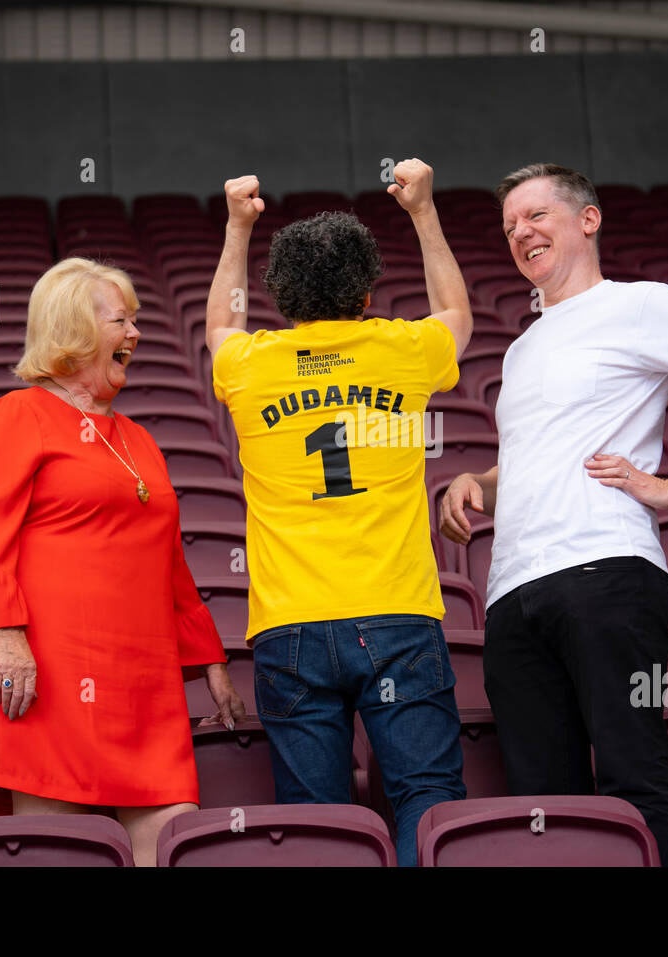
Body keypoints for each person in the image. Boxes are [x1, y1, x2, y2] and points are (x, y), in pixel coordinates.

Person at [439, 163, 668, 866]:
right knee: (547, 808)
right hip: (514, 593)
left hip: (608, 574)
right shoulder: (522, 346)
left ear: (587, 219)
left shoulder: (640, 303)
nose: (521, 233)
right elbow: (537, 460)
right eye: (510, 225)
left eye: (536, 215)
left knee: (632, 782)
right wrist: (476, 480)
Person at [206, 160, 473, 866]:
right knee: (427, 797)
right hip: (396, 615)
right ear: (366, 288)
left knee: (315, 820)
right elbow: (457, 314)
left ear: (282, 291)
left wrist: (237, 226)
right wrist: (422, 211)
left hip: (289, 624)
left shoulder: (251, 364)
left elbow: (219, 321)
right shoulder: (404, 350)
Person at [0, 257, 246, 867]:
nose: (136, 333)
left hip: (145, 684)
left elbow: (168, 563)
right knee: (62, 856)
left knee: (171, 847)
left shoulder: (138, 438)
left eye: (137, 320)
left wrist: (209, 660)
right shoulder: (15, 416)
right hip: (51, 678)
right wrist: (7, 639)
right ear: (73, 331)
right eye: (121, 320)